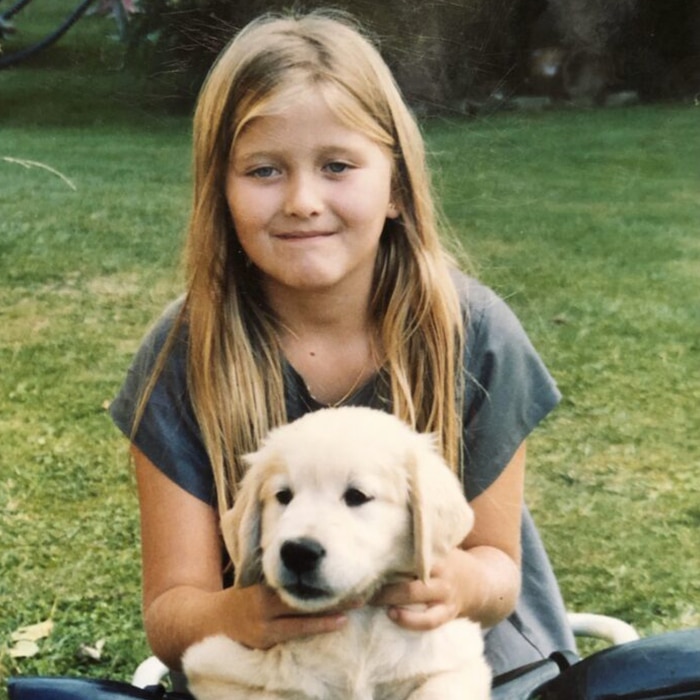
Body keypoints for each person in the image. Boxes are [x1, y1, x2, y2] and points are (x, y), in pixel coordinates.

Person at [110, 9, 576, 689]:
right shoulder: (184, 354)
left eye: (337, 165)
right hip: (277, 673)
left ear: (395, 186)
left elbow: (498, 570)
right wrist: (245, 614)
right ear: (221, 194)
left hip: (458, 667)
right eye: (264, 170)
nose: (302, 200)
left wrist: (454, 584)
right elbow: (172, 614)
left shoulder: (471, 331)